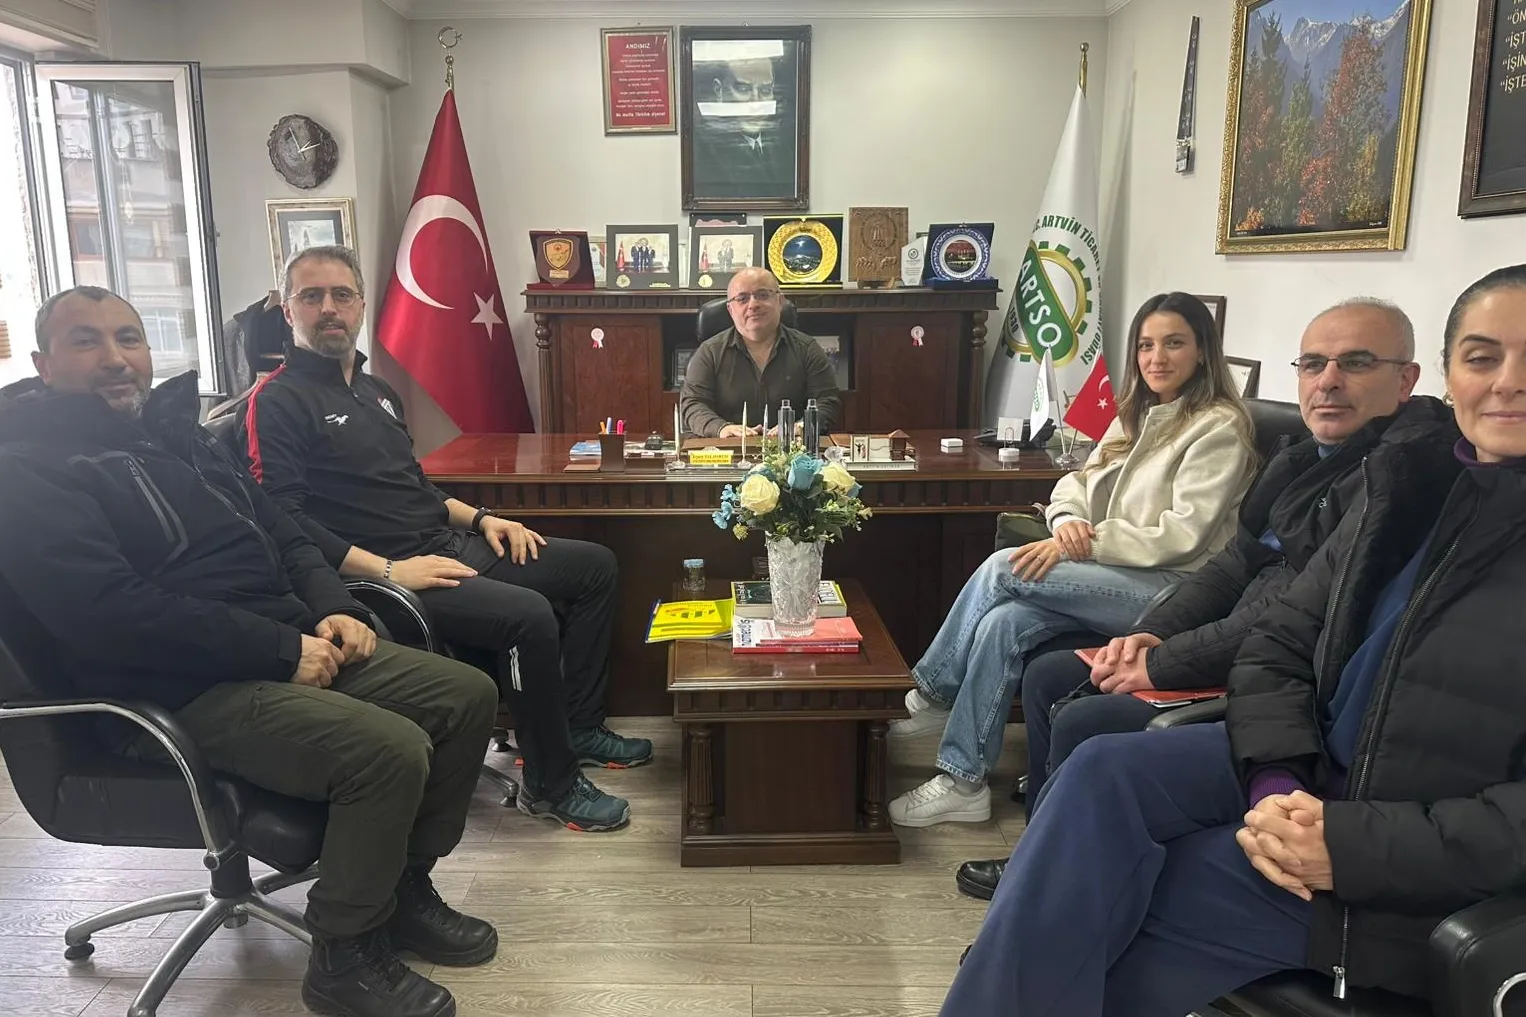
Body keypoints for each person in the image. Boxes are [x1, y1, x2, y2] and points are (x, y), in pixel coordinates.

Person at [941, 264, 1526, 1017]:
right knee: (1101, 774)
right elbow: (1280, 639)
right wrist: (1276, 781)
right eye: (1483, 357)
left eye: (1355, 363)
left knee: (1098, 914)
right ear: (1449, 374)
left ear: (1407, 379)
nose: (1508, 382)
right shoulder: (1408, 488)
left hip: (1408, 861)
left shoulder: (1357, 462)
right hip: (1318, 770)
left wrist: (1351, 843)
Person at [0, 286, 501, 1017]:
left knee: (465, 695)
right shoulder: (26, 471)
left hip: (277, 642)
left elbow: (286, 532)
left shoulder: (182, 436)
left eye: (129, 337)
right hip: (167, 690)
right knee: (387, 751)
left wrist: (333, 607)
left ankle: (400, 891)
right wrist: (279, 648)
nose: (115, 358)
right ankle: (344, 956)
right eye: (86, 341)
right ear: (43, 363)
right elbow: (109, 616)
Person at [954, 297, 1441, 900]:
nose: (1329, 382)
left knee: (1081, 706)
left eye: (1357, 363)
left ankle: (1053, 878)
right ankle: (1041, 854)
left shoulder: (1390, 481)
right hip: (1210, 630)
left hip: (1277, 677)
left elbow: (1289, 615)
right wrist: (1153, 633)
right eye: (1313, 364)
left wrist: (1161, 662)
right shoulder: (1298, 459)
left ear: (1406, 379)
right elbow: (1231, 566)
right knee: (1050, 672)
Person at [240, 246, 647, 835]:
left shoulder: (378, 390)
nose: (329, 308)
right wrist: (387, 570)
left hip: (445, 544)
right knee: (529, 616)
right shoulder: (277, 401)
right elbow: (283, 517)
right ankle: (550, 785)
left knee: (594, 567)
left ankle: (578, 728)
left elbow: (415, 486)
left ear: (360, 306)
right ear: (288, 311)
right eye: (312, 296)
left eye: (341, 295)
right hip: (386, 574)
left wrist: (482, 520)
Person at [887, 292, 1258, 828]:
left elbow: (1182, 535)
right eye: (1146, 345)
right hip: (1113, 573)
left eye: (1174, 343)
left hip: (1173, 591)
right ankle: (963, 780)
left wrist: (1084, 543)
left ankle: (935, 691)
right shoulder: (1136, 413)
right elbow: (1075, 483)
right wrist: (1067, 523)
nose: (1157, 358)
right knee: (1003, 621)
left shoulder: (1219, 427)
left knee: (1003, 568)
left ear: (1203, 351)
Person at [680, 266, 841, 438]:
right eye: (742, 299)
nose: (753, 305)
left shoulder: (807, 349)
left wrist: (801, 426)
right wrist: (721, 428)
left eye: (763, 295)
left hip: (791, 448)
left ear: (780, 301)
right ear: (731, 310)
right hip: (728, 449)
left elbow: (827, 402)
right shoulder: (710, 352)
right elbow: (693, 404)